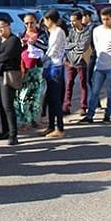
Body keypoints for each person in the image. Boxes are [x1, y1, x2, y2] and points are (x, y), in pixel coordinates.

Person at [78, 8, 111, 124]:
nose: (105, 21)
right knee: (94, 91)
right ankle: (90, 115)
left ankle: (107, 115)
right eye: (103, 19)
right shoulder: (97, 30)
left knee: (110, 91)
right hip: (99, 66)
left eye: (107, 19)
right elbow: (97, 45)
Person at [0, 17, 23, 144]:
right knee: (1, 105)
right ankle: (5, 130)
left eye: (2, 27)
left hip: (8, 75)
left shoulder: (14, 40)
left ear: (8, 26)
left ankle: (13, 134)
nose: (0, 30)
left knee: (8, 105)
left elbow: (6, 55)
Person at [14, 13, 45, 131]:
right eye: (26, 23)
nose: (29, 25)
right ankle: (24, 120)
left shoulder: (41, 34)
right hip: (23, 68)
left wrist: (34, 42)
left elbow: (46, 47)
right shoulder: (21, 35)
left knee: (35, 96)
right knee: (22, 96)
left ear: (36, 22)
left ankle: (33, 120)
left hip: (36, 68)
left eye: (32, 22)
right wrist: (22, 45)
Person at [40, 9, 67, 138]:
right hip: (50, 66)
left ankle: (60, 128)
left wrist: (41, 59)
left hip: (55, 67)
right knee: (50, 98)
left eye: (45, 20)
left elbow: (52, 51)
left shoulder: (58, 32)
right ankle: (51, 126)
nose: (44, 23)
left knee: (55, 99)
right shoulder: (52, 32)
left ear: (49, 20)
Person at [63, 11, 91, 115]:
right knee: (69, 84)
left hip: (82, 62)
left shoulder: (87, 32)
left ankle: (83, 106)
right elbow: (66, 45)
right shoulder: (71, 32)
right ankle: (66, 106)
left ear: (79, 20)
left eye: (74, 20)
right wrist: (75, 46)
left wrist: (73, 46)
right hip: (70, 62)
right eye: (71, 21)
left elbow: (83, 46)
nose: (72, 23)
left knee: (83, 84)